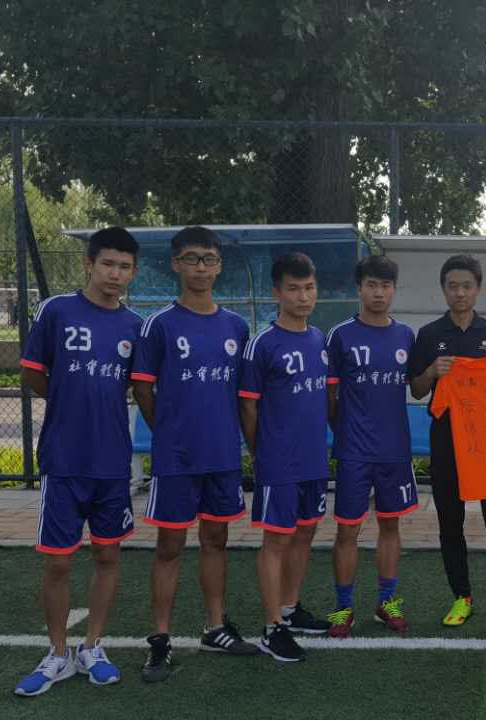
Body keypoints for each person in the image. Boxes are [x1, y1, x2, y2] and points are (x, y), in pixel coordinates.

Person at [14, 227, 143, 696]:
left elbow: (138, 385)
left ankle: (93, 646)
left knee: (107, 555)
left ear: (132, 272)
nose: (115, 274)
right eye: (107, 264)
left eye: (124, 267)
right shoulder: (57, 311)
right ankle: (57, 653)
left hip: (112, 461)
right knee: (58, 563)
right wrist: (68, 396)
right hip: (64, 459)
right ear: (89, 264)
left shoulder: (135, 326)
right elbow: (32, 373)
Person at [131, 226, 259, 682]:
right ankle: (160, 640)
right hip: (177, 457)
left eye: (209, 259)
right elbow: (142, 389)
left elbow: (244, 395)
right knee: (169, 545)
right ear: (176, 264)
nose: (201, 267)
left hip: (222, 454)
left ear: (219, 266)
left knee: (216, 540)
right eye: (191, 258)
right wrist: (167, 431)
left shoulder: (236, 326)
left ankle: (215, 627)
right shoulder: (160, 325)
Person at [407, 254, 486, 633]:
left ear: (478, 289)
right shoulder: (429, 335)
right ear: (443, 290)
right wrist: (431, 371)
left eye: (466, 286)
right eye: (453, 286)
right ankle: (462, 597)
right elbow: (417, 390)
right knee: (450, 522)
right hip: (446, 442)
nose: (460, 293)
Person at [239, 251, 334, 662]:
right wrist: (262, 452)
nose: (303, 296)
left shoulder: (318, 339)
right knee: (276, 539)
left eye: (309, 288)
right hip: (278, 461)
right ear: (277, 292)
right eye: (293, 289)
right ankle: (272, 626)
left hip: (313, 459)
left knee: (306, 532)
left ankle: (291, 610)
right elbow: (248, 407)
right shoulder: (262, 344)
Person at [324, 254, 417, 638]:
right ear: (359, 289)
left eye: (386, 286)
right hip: (354, 452)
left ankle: (386, 601)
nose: (379, 293)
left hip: (394, 451)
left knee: (390, 526)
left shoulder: (406, 336)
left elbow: (418, 386)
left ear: (394, 290)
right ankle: (342, 607)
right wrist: (346, 432)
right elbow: (329, 398)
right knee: (348, 530)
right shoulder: (340, 335)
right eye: (372, 285)